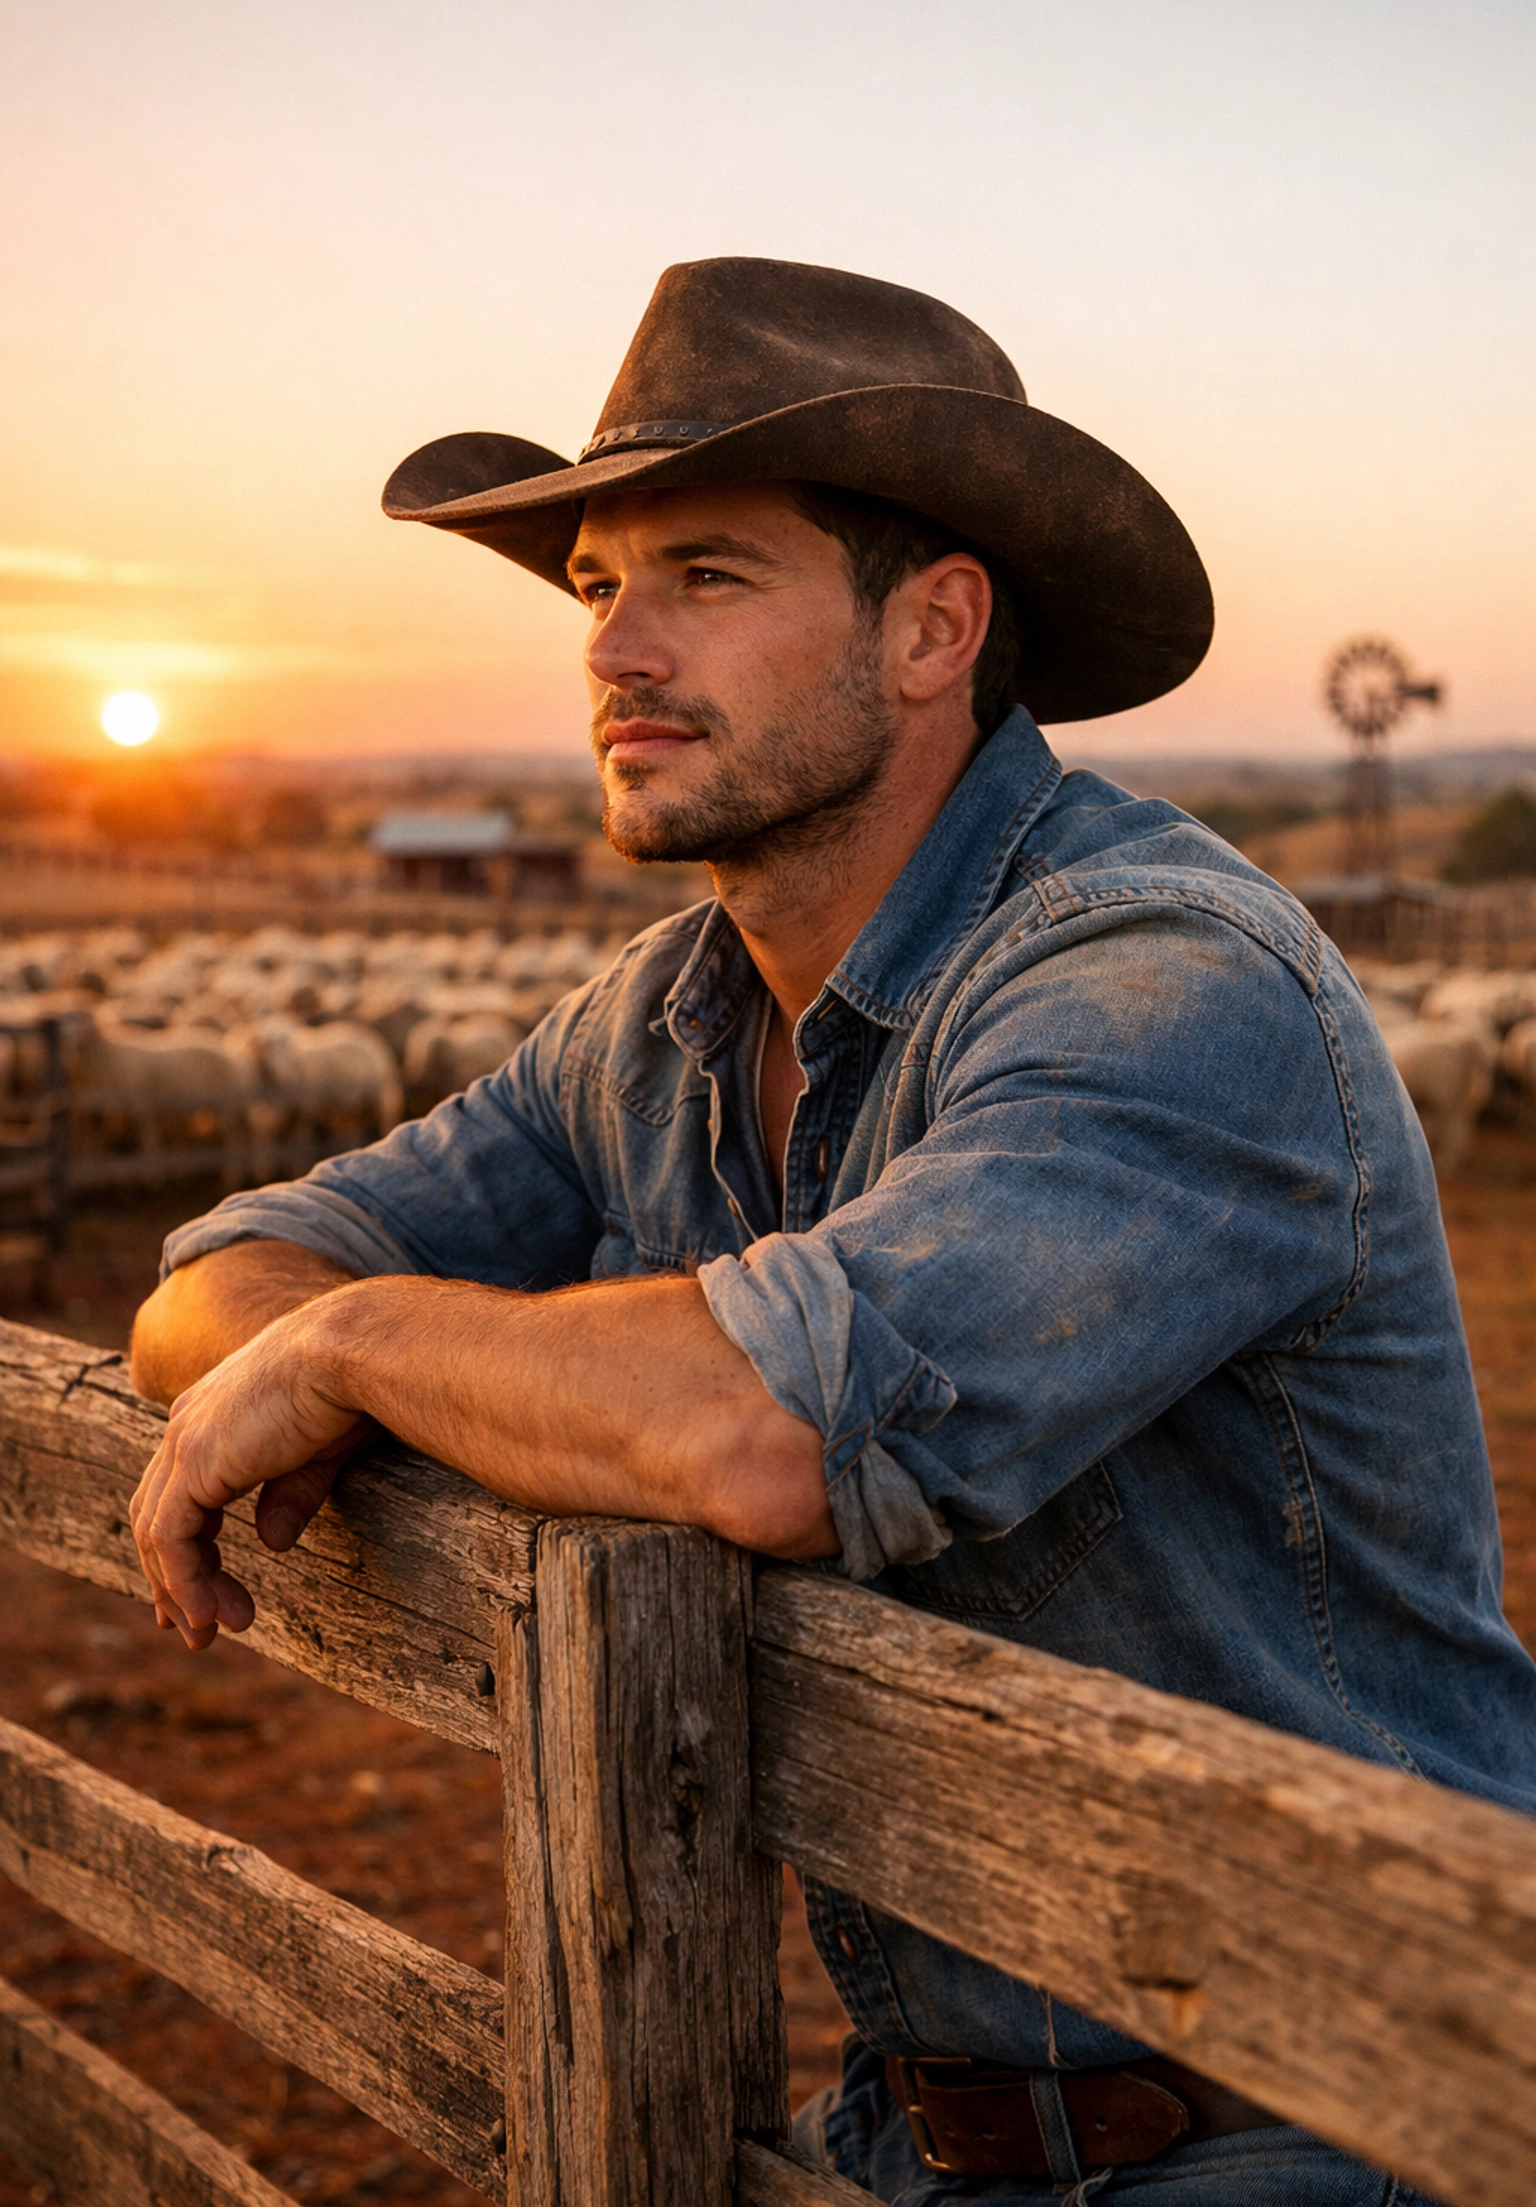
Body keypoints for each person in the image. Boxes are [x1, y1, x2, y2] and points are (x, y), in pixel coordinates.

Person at [128, 258, 1532, 2204]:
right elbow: (212, 1286)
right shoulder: (660, 1019)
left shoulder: (1163, 983)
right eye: (599, 589)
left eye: (706, 576)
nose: (616, 651)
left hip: (1347, 2113)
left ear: (934, 626)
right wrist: (296, 1326)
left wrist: (356, 1352)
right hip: (919, 2127)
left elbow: (773, 1425)